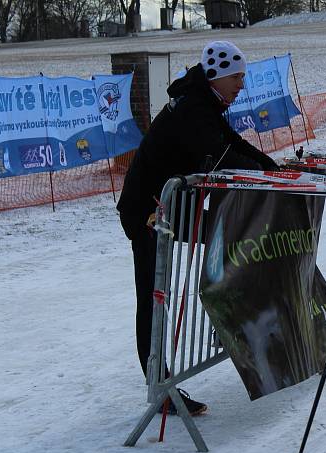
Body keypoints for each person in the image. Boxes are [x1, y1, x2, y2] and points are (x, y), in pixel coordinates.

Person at [117, 41, 279, 416]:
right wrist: (265, 174)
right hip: (149, 212)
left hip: (173, 207)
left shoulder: (205, 103)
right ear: (217, 76)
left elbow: (233, 143)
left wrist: (274, 170)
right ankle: (159, 384)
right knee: (154, 296)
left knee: (232, 236)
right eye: (237, 77)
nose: (241, 84)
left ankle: (229, 315)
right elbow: (222, 157)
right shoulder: (193, 108)